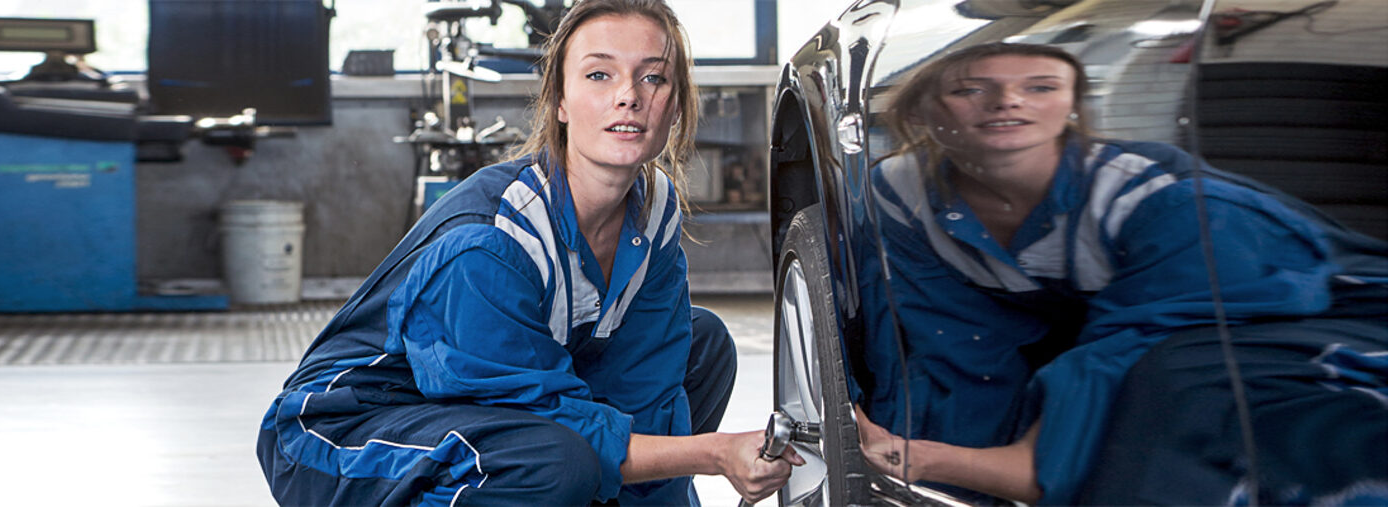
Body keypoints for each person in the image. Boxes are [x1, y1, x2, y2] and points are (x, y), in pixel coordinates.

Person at [255, 1, 801, 505]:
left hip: (480, 420)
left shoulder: (651, 210)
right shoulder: (492, 243)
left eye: (653, 76)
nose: (629, 95)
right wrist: (714, 453)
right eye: (599, 74)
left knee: (700, 347)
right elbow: (542, 419)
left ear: (674, 103)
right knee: (554, 462)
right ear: (560, 102)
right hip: (347, 433)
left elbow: (650, 396)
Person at [850, 42, 1387, 504]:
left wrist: (933, 461)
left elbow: (1122, 362)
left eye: (1040, 87)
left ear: (1072, 105)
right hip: (1133, 323)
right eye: (971, 89)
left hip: (1316, 307)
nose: (1007, 101)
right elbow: (943, 339)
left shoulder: (1174, 205)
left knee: (1185, 390)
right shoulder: (900, 196)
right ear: (920, 110)